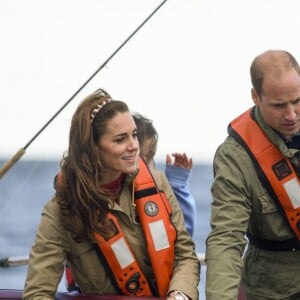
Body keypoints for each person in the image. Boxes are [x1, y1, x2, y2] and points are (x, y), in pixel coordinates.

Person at [23, 88, 200, 300]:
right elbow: (37, 292)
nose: (134, 146)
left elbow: (185, 255)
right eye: (120, 140)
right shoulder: (60, 211)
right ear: (93, 148)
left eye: (134, 135)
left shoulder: (157, 183)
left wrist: (179, 296)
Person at [205, 49, 300, 300]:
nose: (291, 115)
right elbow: (226, 238)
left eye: (297, 101)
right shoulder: (234, 157)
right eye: (279, 105)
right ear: (255, 96)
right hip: (272, 288)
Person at [132, 113, 196, 237]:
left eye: (152, 157)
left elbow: (183, 235)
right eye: (146, 158)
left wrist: (177, 187)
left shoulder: (152, 194)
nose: (152, 165)